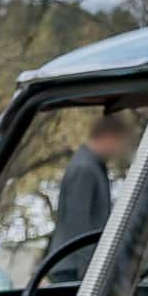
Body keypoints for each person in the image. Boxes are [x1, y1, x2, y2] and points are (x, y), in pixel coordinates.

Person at [50, 107, 133, 258]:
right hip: (75, 266)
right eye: (120, 142)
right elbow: (78, 225)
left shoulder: (92, 167)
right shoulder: (85, 169)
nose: (120, 149)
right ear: (109, 137)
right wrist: (88, 270)